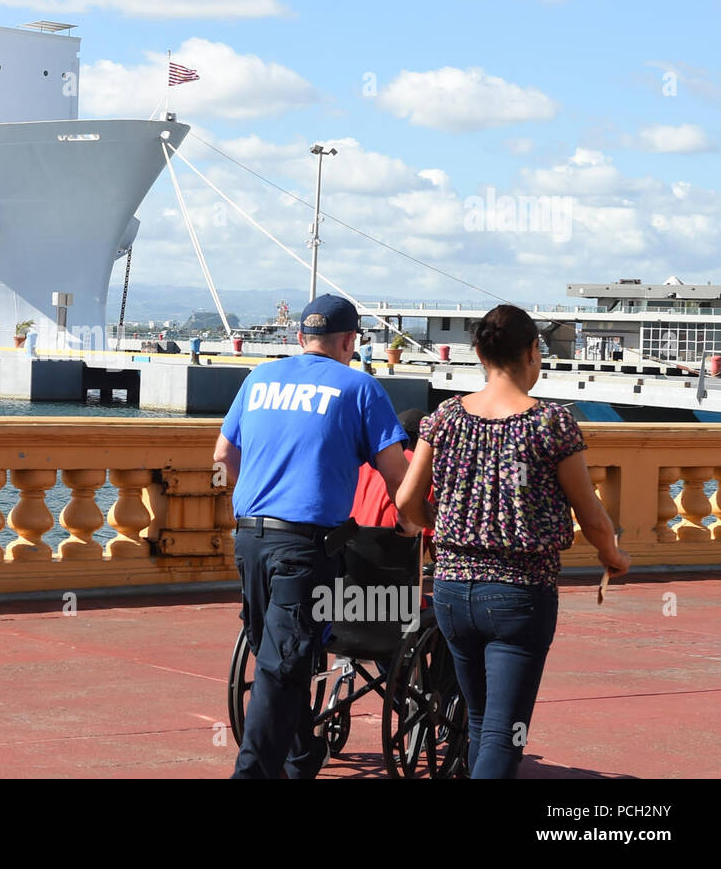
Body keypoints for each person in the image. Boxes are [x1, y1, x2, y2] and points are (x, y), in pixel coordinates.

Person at [396, 304, 632, 779]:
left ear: (480, 353)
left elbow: (406, 503)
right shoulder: (550, 423)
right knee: (505, 738)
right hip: (519, 594)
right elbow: (590, 512)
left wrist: (445, 524)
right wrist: (614, 557)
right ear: (532, 352)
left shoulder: (444, 417)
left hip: (452, 592)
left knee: (482, 724)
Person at [215, 294, 421, 779]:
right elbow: (397, 477)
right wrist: (410, 524)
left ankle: (301, 756)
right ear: (349, 341)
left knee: (278, 654)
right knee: (280, 667)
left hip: (248, 539)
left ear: (300, 338)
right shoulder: (360, 388)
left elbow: (223, 458)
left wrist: (243, 508)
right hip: (303, 549)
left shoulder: (259, 378)